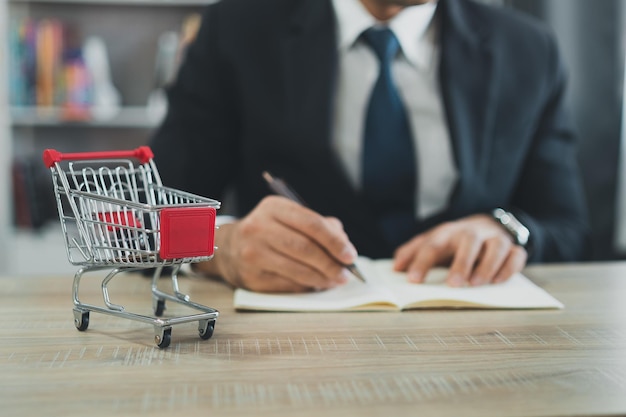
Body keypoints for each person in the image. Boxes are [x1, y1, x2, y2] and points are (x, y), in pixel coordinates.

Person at [150, 0, 590, 293]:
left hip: (476, 347)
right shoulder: (238, 29)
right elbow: (137, 215)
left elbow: (567, 226)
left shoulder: (528, 49)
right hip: (289, 349)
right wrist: (221, 248)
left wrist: (504, 230)